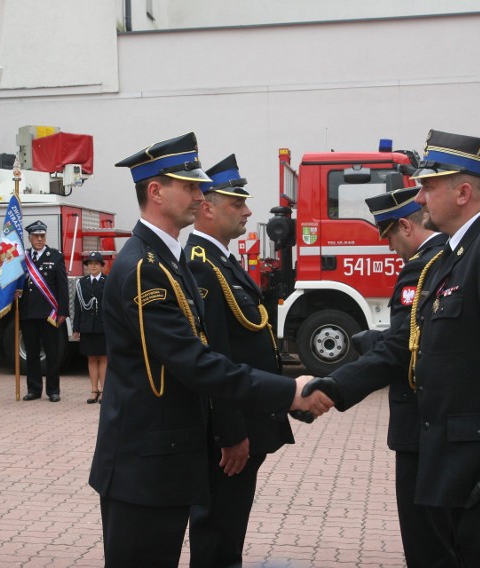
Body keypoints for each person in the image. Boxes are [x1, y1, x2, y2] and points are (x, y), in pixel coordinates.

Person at [305, 130, 480, 567]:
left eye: (429, 187)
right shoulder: (452, 257)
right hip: (457, 469)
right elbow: (406, 348)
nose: (421, 198)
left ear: (463, 192)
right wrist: (331, 387)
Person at [88, 132, 331, 568]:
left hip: (167, 457)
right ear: (157, 192)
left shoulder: (169, 260)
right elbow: (194, 362)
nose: (200, 195)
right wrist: (287, 392)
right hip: (144, 465)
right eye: (190, 186)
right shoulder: (144, 268)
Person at [333, 186, 456, 567]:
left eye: (388, 237)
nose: (389, 248)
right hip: (444, 418)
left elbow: (406, 346)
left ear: (405, 226)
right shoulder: (450, 256)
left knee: (426, 538)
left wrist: (335, 385)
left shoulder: (422, 265)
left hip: (420, 421)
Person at [185, 154, 295, 568]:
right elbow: (214, 356)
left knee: (231, 525)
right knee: (219, 527)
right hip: (231, 430)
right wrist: (230, 433)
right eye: (236, 202)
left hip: (249, 419)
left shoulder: (223, 261)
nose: (248, 210)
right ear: (207, 207)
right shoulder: (201, 266)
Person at [19, 220, 68, 402]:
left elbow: (62, 285)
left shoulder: (55, 256)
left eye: (42, 236)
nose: (39, 239)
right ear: (30, 238)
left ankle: (53, 390)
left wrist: (63, 310)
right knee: (32, 353)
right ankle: (33, 389)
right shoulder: (22, 258)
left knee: (52, 353)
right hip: (28, 313)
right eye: (36, 236)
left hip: (49, 314)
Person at [73, 251, 108, 404]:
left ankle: (105, 390)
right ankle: (94, 390)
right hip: (87, 326)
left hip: (103, 326)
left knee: (104, 358)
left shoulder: (108, 281)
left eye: (96, 263)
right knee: (92, 358)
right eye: (90, 263)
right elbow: (77, 306)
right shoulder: (81, 283)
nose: (93, 266)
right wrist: (76, 327)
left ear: (101, 265)